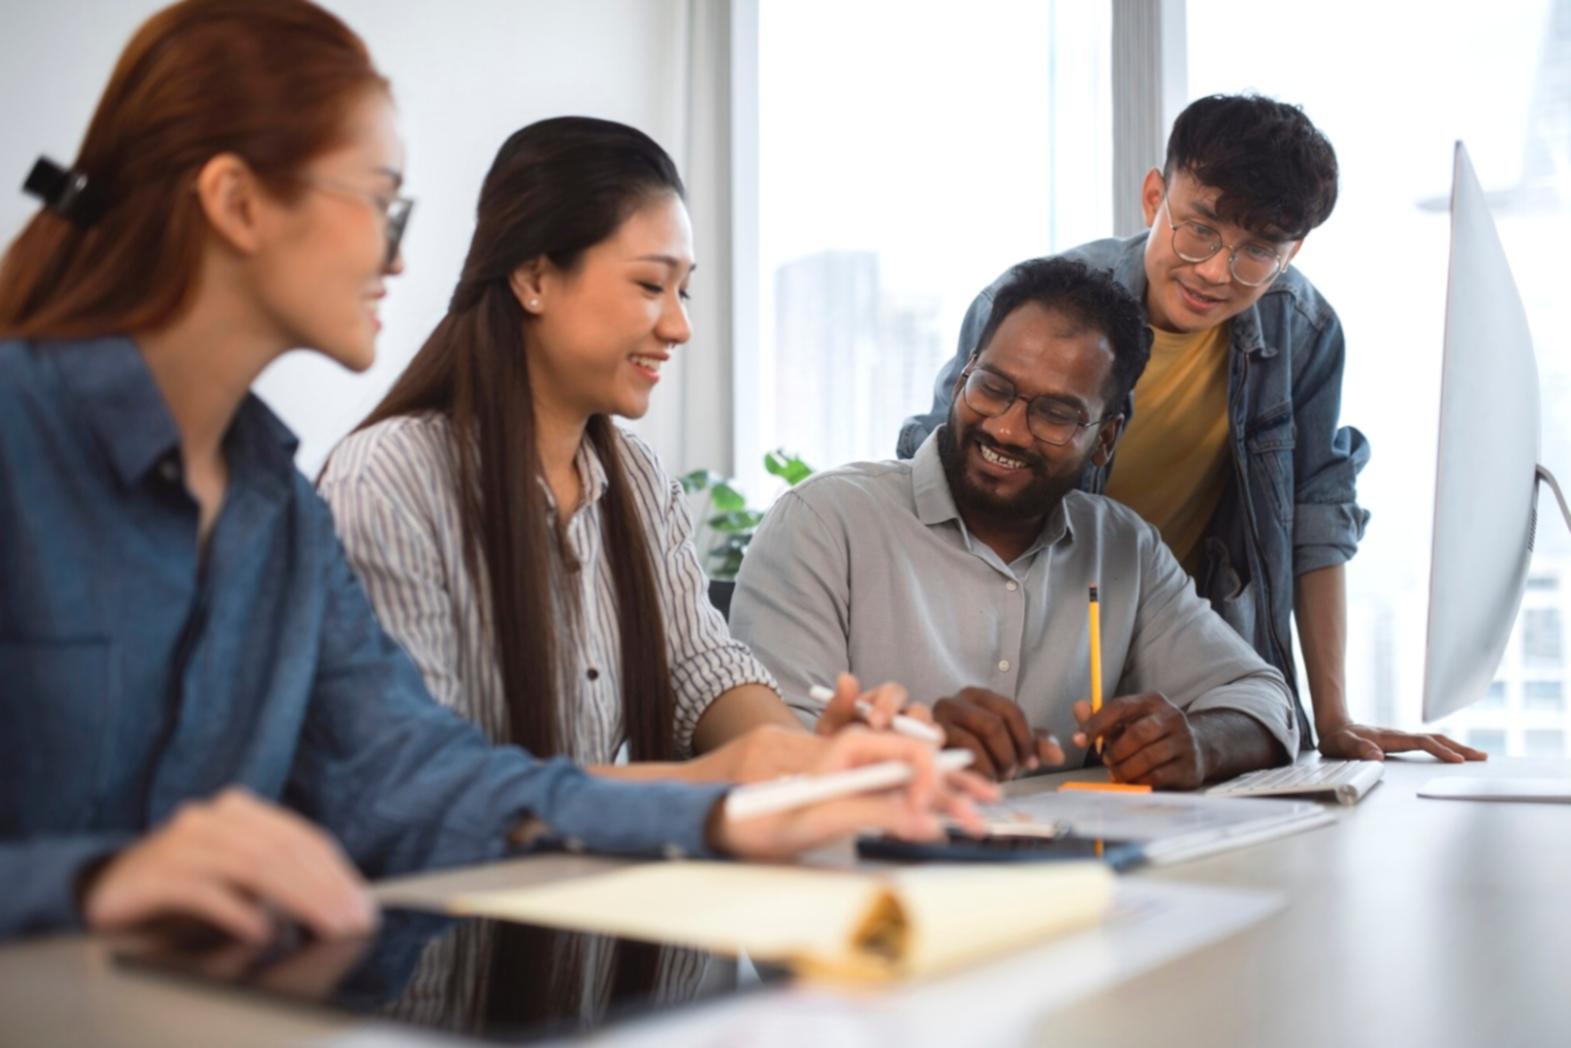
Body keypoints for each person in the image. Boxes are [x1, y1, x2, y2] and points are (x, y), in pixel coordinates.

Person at [0, 0, 986, 943]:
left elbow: (420, 778)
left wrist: (744, 797)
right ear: (237, 202)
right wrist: (92, 879)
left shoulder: (273, 511)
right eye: (381, 203)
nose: (398, 254)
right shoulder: (35, 442)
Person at [898, 94, 1483, 764]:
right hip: (1028, 635)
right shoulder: (1041, 308)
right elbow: (951, 475)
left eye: (1255, 252)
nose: (1214, 272)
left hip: (1180, 650)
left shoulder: (1303, 332)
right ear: (1154, 197)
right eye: (1199, 229)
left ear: (1291, 251)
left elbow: (1315, 515)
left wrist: (1332, 718)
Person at [320, 117, 892, 785]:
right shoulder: (390, 479)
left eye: (684, 291)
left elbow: (699, 665)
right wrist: (711, 779)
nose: (678, 325)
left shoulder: (636, 477)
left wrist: (810, 761)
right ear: (533, 277)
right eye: (651, 286)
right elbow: (423, 779)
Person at [732, 258, 1300, 786]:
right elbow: (760, 751)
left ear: (1105, 440)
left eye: (1054, 413)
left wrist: (1201, 742)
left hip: (1066, 879)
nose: (1005, 430)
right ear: (961, 380)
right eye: (993, 389)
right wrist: (910, 752)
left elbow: (1261, 696)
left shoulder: (1124, 549)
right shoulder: (823, 524)